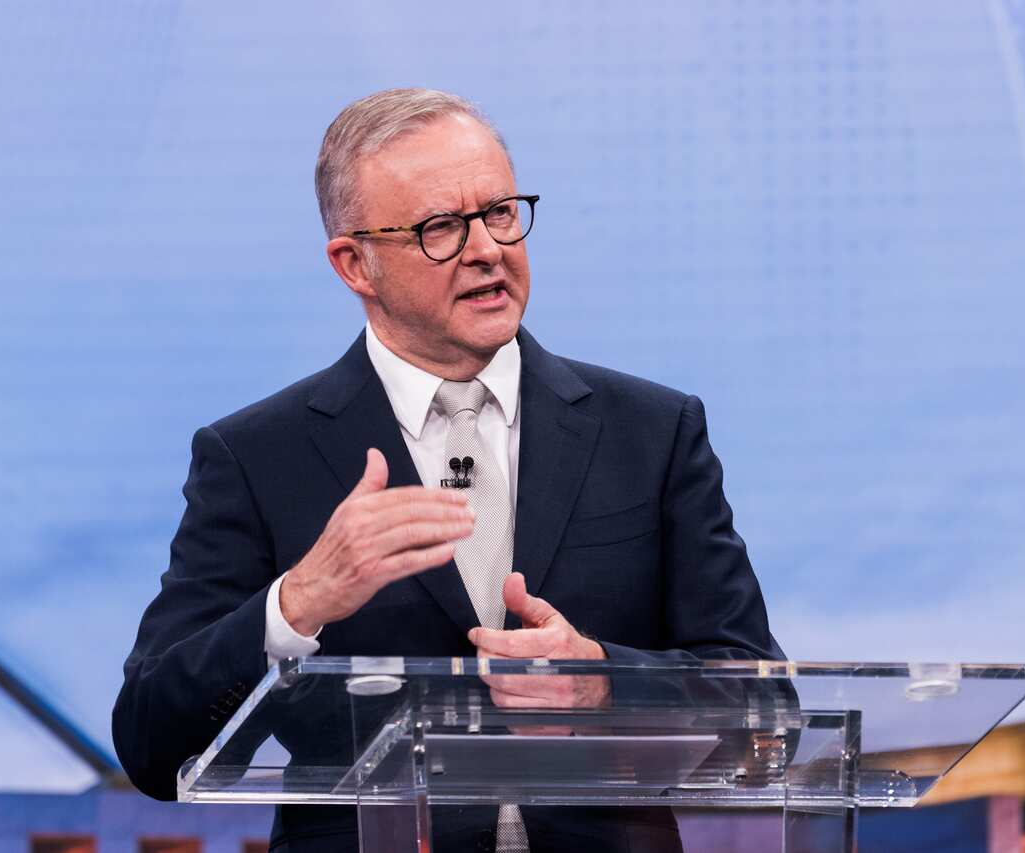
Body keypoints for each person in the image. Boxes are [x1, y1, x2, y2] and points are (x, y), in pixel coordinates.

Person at [113, 88, 784, 852]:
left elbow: (767, 711)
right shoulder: (258, 457)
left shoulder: (652, 431)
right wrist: (295, 604)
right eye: (440, 228)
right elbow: (149, 744)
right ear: (353, 264)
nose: (487, 249)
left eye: (500, 212)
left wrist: (604, 680)